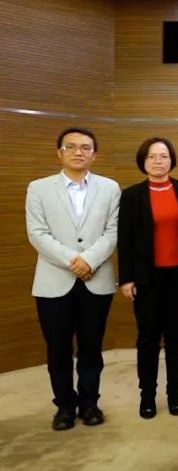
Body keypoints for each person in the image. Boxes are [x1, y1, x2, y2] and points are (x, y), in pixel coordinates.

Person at [26, 127, 121, 430]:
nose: (78, 152)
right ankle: (65, 406)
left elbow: (112, 232)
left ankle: (90, 403)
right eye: (71, 146)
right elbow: (37, 233)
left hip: (97, 279)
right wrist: (74, 262)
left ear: (94, 154)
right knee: (58, 348)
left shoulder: (109, 188)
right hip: (54, 281)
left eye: (85, 147)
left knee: (92, 347)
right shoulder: (39, 188)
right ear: (60, 153)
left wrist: (89, 260)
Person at [117, 137, 178, 419]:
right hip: (146, 279)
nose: (158, 161)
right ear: (143, 161)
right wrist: (126, 279)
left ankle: (174, 394)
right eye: (152, 156)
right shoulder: (132, 196)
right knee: (148, 339)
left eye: (163, 156)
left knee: (176, 339)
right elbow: (124, 240)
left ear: (171, 159)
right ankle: (147, 396)